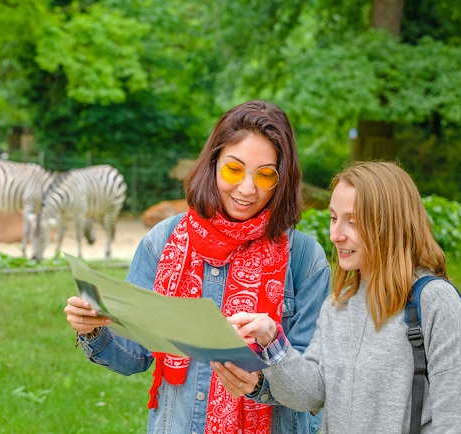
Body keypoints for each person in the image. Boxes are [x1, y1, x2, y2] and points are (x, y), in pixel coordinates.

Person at [64, 99, 330, 434]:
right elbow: (134, 355)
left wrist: (260, 382)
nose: (247, 189)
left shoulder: (305, 259)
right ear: (213, 162)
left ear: (283, 180)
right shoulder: (163, 240)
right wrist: (94, 328)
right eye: (234, 169)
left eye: (265, 176)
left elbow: (311, 389)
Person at [213, 161, 461, 433]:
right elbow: (311, 394)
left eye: (352, 222)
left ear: (390, 225)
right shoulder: (338, 304)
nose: (335, 235)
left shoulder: (436, 303)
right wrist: (272, 341)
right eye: (334, 218)